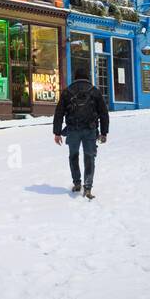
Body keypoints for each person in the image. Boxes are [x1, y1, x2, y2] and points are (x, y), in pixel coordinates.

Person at [53, 66, 109, 199]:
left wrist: (57, 132)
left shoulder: (67, 92)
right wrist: (104, 132)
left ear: (75, 77)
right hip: (90, 130)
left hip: (73, 130)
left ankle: (77, 183)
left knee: (73, 155)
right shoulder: (95, 91)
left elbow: (59, 113)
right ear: (88, 77)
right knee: (89, 157)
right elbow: (104, 113)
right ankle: (88, 187)